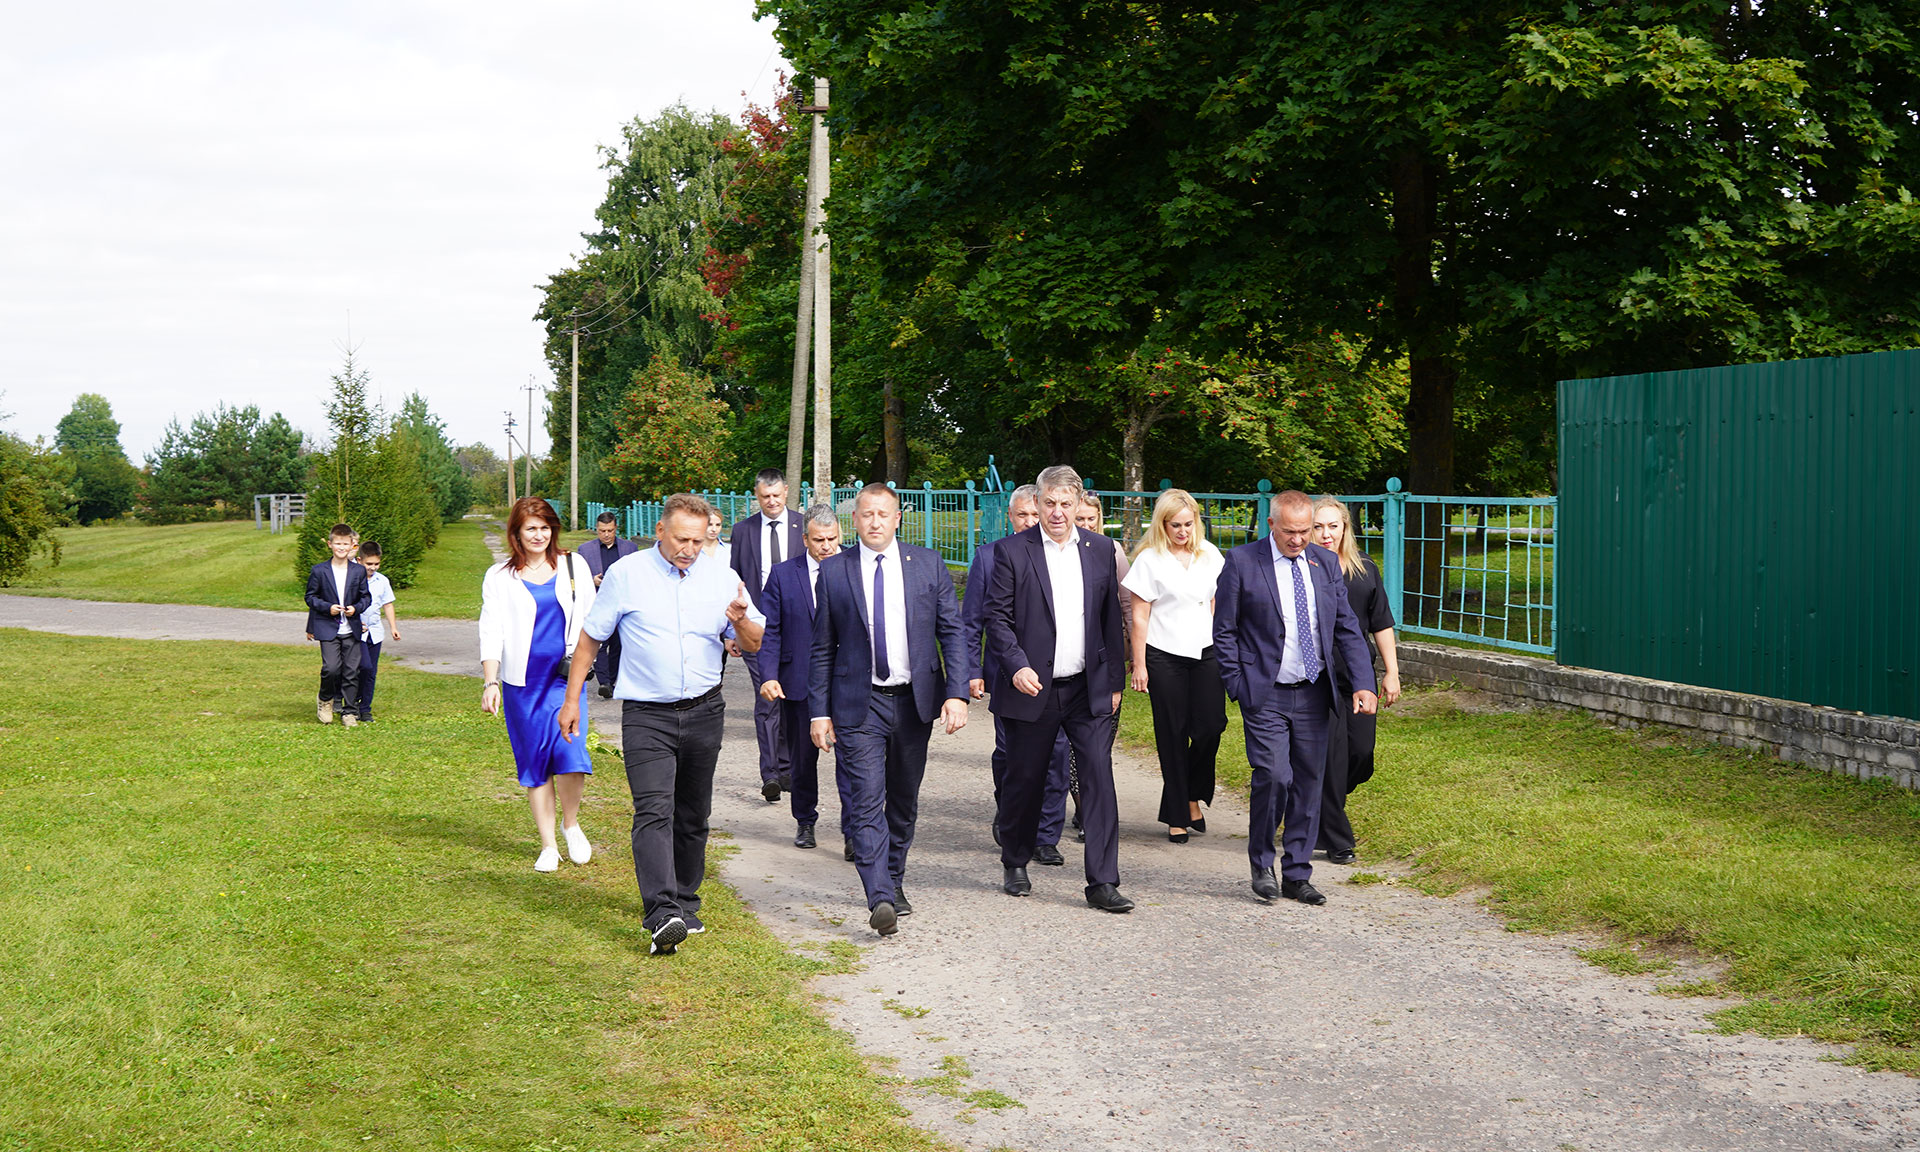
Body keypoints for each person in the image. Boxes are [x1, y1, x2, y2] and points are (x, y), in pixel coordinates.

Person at [560, 493, 764, 957]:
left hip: (705, 710)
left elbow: (752, 642)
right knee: (654, 810)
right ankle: (661, 912)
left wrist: (740, 622)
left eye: (698, 540)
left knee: (693, 813)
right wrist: (572, 699)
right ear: (659, 531)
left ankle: (686, 902)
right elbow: (590, 639)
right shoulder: (626, 574)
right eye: (681, 539)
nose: (689, 549)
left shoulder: (723, 578)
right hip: (647, 715)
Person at [809, 483, 969, 936]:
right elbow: (822, 647)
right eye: (867, 514)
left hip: (914, 701)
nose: (875, 522)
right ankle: (878, 895)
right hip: (859, 704)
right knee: (865, 800)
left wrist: (956, 693)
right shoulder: (835, 571)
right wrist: (819, 712)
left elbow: (952, 632)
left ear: (898, 519)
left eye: (884, 514)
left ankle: (894, 879)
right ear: (854, 520)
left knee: (902, 800)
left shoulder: (928, 565)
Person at [1212, 490, 1378, 906]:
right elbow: (1224, 630)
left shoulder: (1324, 564)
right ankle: (1262, 865)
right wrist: (1238, 684)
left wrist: (1364, 682)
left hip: (1314, 692)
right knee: (1274, 776)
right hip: (1265, 692)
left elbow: (1347, 627)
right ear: (1272, 525)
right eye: (1290, 531)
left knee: (1308, 782)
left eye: (1305, 531)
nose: (1299, 539)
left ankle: (1298, 874)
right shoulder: (1242, 562)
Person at [984, 465, 1131, 913]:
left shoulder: (1100, 550)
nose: (1057, 512)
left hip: (1087, 689)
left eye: (1066, 504)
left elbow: (1110, 620)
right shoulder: (1012, 551)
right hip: (1033, 689)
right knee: (1025, 778)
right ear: (1038, 502)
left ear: (1078, 504)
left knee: (1098, 779)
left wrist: (1114, 682)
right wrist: (1016, 666)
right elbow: (998, 618)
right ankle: (1015, 860)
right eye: (1049, 503)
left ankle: (1103, 882)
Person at [478, 498, 597, 873]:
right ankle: (548, 845)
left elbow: (592, 621)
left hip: (565, 678)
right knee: (536, 762)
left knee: (570, 752)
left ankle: (570, 824)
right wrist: (491, 681)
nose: (538, 535)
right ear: (516, 532)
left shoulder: (574, 565)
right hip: (523, 683)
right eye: (531, 528)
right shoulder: (499, 576)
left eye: (545, 528)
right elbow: (491, 630)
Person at [961, 484, 1070, 863]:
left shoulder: (1060, 556)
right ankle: (1010, 811)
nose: (1029, 521)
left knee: (1056, 754)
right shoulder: (990, 557)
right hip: (1007, 677)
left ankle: (1045, 835)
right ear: (1010, 517)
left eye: (1034, 514)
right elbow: (972, 620)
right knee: (1011, 753)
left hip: (1057, 678)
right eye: (1022, 515)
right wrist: (972, 669)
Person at [1122, 489, 1227, 842]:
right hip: (1163, 653)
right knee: (1173, 733)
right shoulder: (1149, 560)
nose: (1183, 531)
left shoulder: (1209, 554)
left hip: (1206, 651)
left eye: (1188, 524)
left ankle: (1190, 793)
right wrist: (1139, 664)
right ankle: (1179, 814)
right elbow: (1139, 616)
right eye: (1175, 525)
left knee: (1211, 726)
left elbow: (1215, 602)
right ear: (1163, 525)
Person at [1310, 495, 1402, 865]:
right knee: (1330, 759)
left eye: (1333, 526)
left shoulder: (1365, 569)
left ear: (1345, 527)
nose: (1326, 534)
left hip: (1358, 675)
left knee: (1361, 754)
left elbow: (1381, 623)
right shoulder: (1302, 570)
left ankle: (1314, 803)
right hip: (1318, 679)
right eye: (1318, 527)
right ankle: (1337, 839)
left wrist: (1392, 672)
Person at [758, 505, 844, 851]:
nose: (826, 546)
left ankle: (855, 830)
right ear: (805, 539)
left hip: (847, 682)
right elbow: (771, 631)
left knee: (853, 761)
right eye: (819, 540)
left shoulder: (853, 568)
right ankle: (805, 821)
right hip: (799, 682)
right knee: (803, 760)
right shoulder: (783, 575)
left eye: (832, 539)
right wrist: (769, 675)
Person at [729, 469, 806, 803]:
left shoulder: (803, 526)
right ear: (756, 496)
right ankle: (771, 773)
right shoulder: (743, 531)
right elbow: (733, 580)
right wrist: (733, 630)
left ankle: (788, 768)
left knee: (792, 697)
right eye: (765, 497)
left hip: (799, 627)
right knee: (767, 700)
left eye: (776, 496)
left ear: (786, 492)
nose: (772, 502)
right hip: (758, 629)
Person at [304, 522, 371, 728]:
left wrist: (356, 609)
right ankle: (325, 700)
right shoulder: (319, 571)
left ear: (352, 545)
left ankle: (349, 712)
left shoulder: (358, 571)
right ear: (330, 544)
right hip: (328, 627)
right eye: (338, 543)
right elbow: (310, 597)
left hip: (351, 628)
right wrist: (328, 608)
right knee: (331, 668)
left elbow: (366, 597)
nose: (341, 548)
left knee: (351, 671)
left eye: (345, 544)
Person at [578, 512, 640, 699]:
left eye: (610, 531)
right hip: (598, 603)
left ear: (616, 529)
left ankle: (613, 680)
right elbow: (578, 577)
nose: (606, 534)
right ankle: (604, 682)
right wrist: (592, 580)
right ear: (597, 529)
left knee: (618, 644)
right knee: (599, 642)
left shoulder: (630, 548)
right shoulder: (585, 550)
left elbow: (637, 574)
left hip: (622, 603)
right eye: (602, 531)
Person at [356, 540, 401, 722]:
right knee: (362, 666)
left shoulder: (382, 581)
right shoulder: (353, 579)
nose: (372, 568)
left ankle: (365, 708)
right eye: (369, 564)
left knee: (371, 672)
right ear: (359, 560)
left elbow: (387, 604)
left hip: (375, 631)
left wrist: (393, 627)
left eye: (376, 564)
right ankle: (351, 700)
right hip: (356, 632)